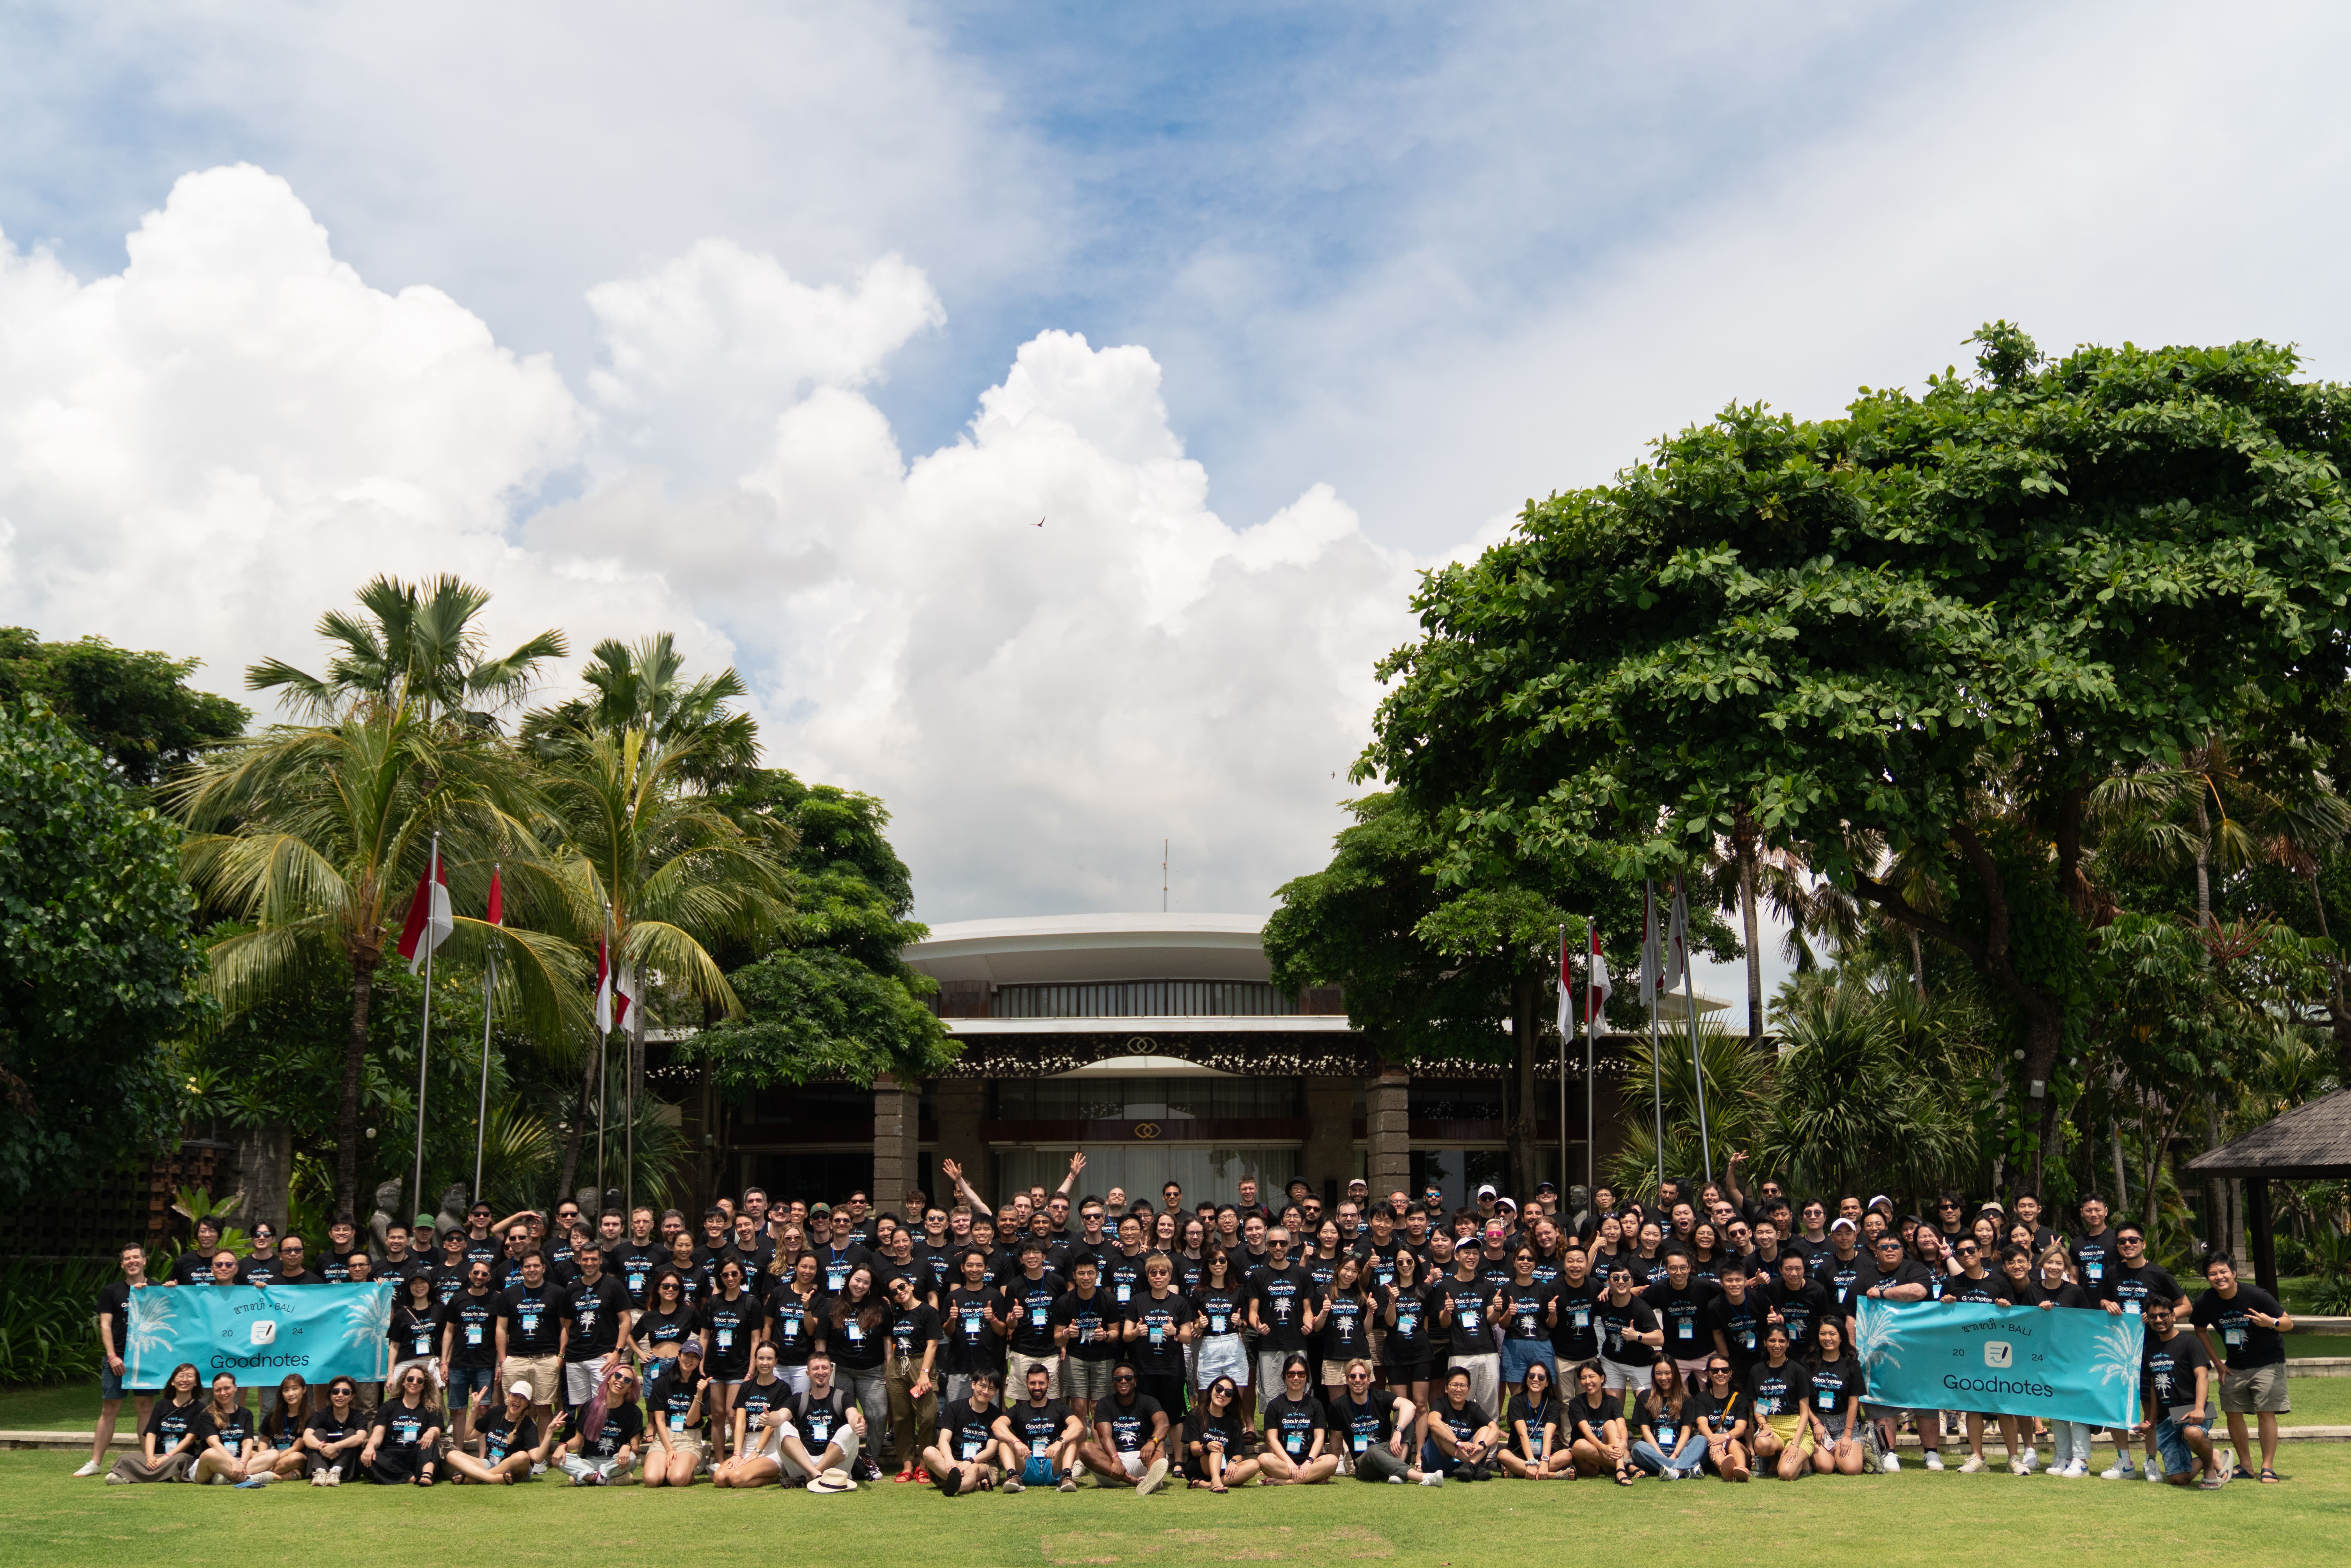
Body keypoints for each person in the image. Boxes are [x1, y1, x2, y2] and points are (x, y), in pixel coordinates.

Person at [2190, 1253, 2293, 1484]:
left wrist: (2272, 1322)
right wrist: (2218, 1363)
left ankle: (2268, 1467)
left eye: (2223, 1272)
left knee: (2265, 1411)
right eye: (2213, 1274)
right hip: (2234, 1365)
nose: (2219, 1277)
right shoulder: (2206, 1302)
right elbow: (2200, 1330)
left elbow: (2288, 1323)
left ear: (2234, 1273)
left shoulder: (2256, 1295)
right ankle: (2246, 1466)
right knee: (2233, 1411)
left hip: (2268, 1361)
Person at [80, 1242, 155, 1478]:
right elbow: (105, 1326)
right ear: (122, 1264)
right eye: (127, 1259)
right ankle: (95, 1463)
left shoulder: (156, 1288)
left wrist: (170, 1288)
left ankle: (148, 1461)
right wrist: (112, 1356)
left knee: (146, 1407)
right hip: (118, 1357)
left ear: (144, 1261)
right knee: (110, 1408)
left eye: (136, 1257)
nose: (132, 1261)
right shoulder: (112, 1291)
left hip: (147, 1358)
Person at [2140, 1299, 2225, 1488]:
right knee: (2178, 1480)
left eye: (2163, 1315)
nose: (2159, 1320)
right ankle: (2211, 1456)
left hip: (2194, 1410)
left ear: (2173, 1316)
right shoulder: (2149, 1349)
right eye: (2153, 1316)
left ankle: (2210, 1471)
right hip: (2167, 1418)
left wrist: (2199, 1409)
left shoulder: (2191, 1343)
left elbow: (2203, 1376)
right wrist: (2151, 1422)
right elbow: (2154, 1387)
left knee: (2192, 1432)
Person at [559, 1238, 635, 1410]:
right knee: (582, 1407)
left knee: (602, 1405)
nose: (589, 1263)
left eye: (594, 1259)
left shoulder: (614, 1286)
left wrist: (618, 1352)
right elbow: (567, 1326)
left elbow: (626, 1321)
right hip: (575, 1358)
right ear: (579, 1261)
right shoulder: (571, 1289)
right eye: (585, 1259)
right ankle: (584, 1429)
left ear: (601, 1260)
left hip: (603, 1357)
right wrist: (565, 1352)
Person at [1050, 1254, 1122, 1432]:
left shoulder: (1109, 1299)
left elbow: (1116, 1334)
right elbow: (1057, 1338)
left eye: (1091, 1273)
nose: (1086, 1278)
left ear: (1097, 1275)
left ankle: (1099, 1448)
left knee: (1099, 1409)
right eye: (1081, 1273)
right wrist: (1067, 1333)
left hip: (1103, 1357)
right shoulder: (1064, 1302)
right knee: (1079, 1408)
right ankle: (1079, 1449)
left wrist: (1105, 1335)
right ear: (1074, 1275)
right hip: (1076, 1358)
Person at [495, 1250, 563, 1437]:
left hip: (546, 1359)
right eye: (527, 1267)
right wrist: (503, 1360)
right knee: (514, 1408)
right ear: (521, 1270)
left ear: (544, 1268)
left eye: (536, 1266)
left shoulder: (557, 1293)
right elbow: (501, 1328)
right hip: (516, 1359)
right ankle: (513, 1448)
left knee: (544, 1408)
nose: (532, 1270)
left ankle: (541, 1451)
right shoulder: (509, 1294)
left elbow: (566, 1327)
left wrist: (560, 1357)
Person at [1078, 1363, 1173, 1493]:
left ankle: (1151, 1479)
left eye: (1128, 1378)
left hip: (1142, 1459)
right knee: (1085, 1448)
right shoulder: (1105, 1404)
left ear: (1136, 1382)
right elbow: (1104, 1436)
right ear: (1113, 1383)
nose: (1123, 1381)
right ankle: (1137, 1482)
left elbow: (1164, 1423)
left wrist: (1152, 1442)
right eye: (1118, 1379)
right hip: (1112, 1467)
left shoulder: (1148, 1401)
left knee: (1159, 1442)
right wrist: (1115, 1459)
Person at [107, 1362, 208, 1484]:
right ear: (173, 1382)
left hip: (177, 1456)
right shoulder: (162, 1405)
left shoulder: (199, 1408)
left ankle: (132, 1477)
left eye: (190, 1377)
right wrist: (150, 1457)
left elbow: (190, 1439)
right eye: (181, 1376)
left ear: (196, 1383)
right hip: (158, 1455)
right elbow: (151, 1433)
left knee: (182, 1460)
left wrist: (167, 1457)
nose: (185, 1380)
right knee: (125, 1458)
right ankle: (168, 1475)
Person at [993, 1358, 1084, 1492]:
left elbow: (1078, 1426)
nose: (1037, 1388)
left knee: (1069, 1435)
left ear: (1049, 1383)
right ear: (1026, 1383)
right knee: (1004, 1439)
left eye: (1041, 1383)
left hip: (1053, 1463)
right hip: (1026, 1462)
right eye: (1033, 1383)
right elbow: (997, 1426)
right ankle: (1012, 1476)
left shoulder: (1059, 1408)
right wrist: (1016, 1442)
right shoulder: (1018, 1409)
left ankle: (1066, 1477)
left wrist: (1059, 1442)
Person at [1125, 1251, 1196, 1420]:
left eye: (1163, 1273)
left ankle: (1177, 1441)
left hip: (1172, 1370)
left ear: (1170, 1276)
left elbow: (1188, 1337)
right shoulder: (1137, 1301)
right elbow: (1126, 1335)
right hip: (1144, 1369)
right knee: (1145, 1416)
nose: (1158, 1277)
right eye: (1154, 1273)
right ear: (1148, 1277)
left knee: (1175, 1419)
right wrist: (1136, 1332)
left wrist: (1175, 1332)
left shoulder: (1180, 1302)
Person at [712, 1342, 794, 1487]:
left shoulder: (783, 1388)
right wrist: (738, 1453)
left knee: (737, 1479)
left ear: (776, 1361)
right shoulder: (746, 1387)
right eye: (761, 1358)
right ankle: (750, 1469)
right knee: (720, 1479)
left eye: (769, 1359)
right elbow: (740, 1423)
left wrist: (756, 1453)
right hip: (748, 1445)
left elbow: (772, 1426)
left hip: (771, 1448)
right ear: (755, 1360)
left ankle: (777, 1477)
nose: (765, 1363)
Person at [885, 1271, 941, 1481]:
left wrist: (924, 1374)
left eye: (901, 1287)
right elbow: (889, 1341)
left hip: (921, 1363)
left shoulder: (928, 1312)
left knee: (928, 1417)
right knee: (901, 1418)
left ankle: (925, 1465)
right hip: (898, 1365)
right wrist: (889, 1367)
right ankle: (907, 1466)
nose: (899, 1292)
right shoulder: (895, 1314)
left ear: (911, 1286)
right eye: (894, 1292)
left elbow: (932, 1345)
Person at [780, 1350, 867, 1484]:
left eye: (825, 1368)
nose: (821, 1372)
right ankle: (815, 1474)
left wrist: (858, 1424)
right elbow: (780, 1415)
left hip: (835, 1465)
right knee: (781, 1426)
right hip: (805, 1464)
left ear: (831, 1371)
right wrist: (770, 1418)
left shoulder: (843, 1397)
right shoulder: (798, 1399)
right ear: (808, 1373)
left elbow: (853, 1415)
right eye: (816, 1368)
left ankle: (808, 1478)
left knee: (849, 1429)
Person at [441, 1259, 502, 1442]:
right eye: (476, 1272)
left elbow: (501, 1333)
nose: (479, 1276)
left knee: (483, 1410)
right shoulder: (457, 1299)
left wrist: (500, 1363)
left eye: (484, 1274)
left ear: (489, 1277)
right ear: (470, 1274)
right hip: (459, 1363)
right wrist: (444, 1362)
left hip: (485, 1364)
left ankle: (483, 1455)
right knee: (458, 1411)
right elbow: (449, 1331)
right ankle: (458, 1450)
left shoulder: (497, 1299)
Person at [1745, 1325, 1813, 1481]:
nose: (1777, 1345)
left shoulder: (1798, 1371)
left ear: (1788, 1343)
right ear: (1765, 1342)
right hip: (1772, 1428)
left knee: (1786, 1474)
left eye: (1782, 1341)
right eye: (1772, 1341)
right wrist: (1765, 1426)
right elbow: (1758, 1408)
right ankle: (1777, 1458)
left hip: (1797, 1429)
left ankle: (1803, 1459)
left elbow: (1805, 1413)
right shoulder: (1757, 1371)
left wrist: (1795, 1443)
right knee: (1761, 1444)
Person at [557, 1363, 643, 1484]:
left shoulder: (634, 1412)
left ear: (630, 1389)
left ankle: (585, 1478)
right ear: (609, 1379)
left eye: (627, 1380)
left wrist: (628, 1446)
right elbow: (578, 1440)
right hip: (590, 1462)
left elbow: (635, 1449)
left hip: (616, 1462)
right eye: (618, 1376)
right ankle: (607, 1481)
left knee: (631, 1458)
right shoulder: (590, 1406)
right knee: (560, 1458)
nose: (621, 1381)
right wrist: (563, 1446)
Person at [446, 1381, 548, 1484]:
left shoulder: (528, 1425)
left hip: (514, 1468)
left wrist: (549, 1433)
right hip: (490, 1464)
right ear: (508, 1397)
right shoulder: (496, 1412)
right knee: (452, 1455)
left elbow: (538, 1459)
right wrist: (474, 1408)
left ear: (527, 1404)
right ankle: (493, 1479)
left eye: (523, 1398)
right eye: (515, 1395)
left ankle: (476, 1478)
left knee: (523, 1456)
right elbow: (468, 1436)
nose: (518, 1400)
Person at [926, 1368, 1006, 1496]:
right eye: (982, 1386)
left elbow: (991, 1450)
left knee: (973, 1469)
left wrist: (970, 1461)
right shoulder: (954, 1408)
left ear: (995, 1392)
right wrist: (950, 1460)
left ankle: (959, 1486)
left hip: (982, 1464)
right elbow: (944, 1440)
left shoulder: (998, 1416)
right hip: (954, 1462)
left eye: (991, 1389)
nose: (986, 1392)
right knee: (929, 1452)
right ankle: (974, 1485)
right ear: (973, 1385)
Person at [1258, 1355, 1338, 1483]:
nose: (1296, 1378)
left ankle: (1285, 1482)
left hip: (1311, 1462)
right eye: (1291, 1374)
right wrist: (1289, 1462)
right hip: (1284, 1462)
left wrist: (1309, 1461)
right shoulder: (1275, 1405)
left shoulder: (1316, 1404)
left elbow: (1320, 1438)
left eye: (1301, 1374)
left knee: (1332, 1461)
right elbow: (1272, 1439)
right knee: (1263, 1459)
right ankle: (1311, 1478)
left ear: (1307, 1377)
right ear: (1285, 1376)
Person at [362, 1364, 444, 1485]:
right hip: (391, 1456)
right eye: (410, 1379)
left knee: (430, 1443)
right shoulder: (388, 1407)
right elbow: (378, 1435)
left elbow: (436, 1431)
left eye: (420, 1381)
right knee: (365, 1459)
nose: (414, 1383)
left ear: (424, 1386)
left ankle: (427, 1474)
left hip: (418, 1455)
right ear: (403, 1382)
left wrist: (432, 1433)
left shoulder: (432, 1409)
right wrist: (370, 1447)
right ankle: (411, 1478)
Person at [1803, 1317, 1866, 1475]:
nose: (1827, 1338)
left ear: (1841, 1337)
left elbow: (1854, 1403)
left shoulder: (1852, 1364)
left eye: (1832, 1334)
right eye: (1823, 1334)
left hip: (1844, 1423)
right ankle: (1826, 1456)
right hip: (1816, 1423)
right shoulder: (1808, 1362)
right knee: (1825, 1468)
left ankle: (1841, 1453)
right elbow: (1803, 1400)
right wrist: (1816, 1423)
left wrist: (1847, 1435)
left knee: (1852, 1469)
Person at [642, 1343, 710, 1487]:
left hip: (689, 1438)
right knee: (651, 1480)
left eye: (695, 1357)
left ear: (699, 1361)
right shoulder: (662, 1383)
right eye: (687, 1355)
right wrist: (669, 1449)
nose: (690, 1360)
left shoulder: (702, 1385)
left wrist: (699, 1395)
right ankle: (673, 1468)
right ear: (679, 1356)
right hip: (665, 1437)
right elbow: (659, 1421)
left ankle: (694, 1463)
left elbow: (691, 1422)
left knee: (677, 1479)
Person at [1383, 1247, 1439, 1418]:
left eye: (1409, 1261)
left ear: (1415, 1263)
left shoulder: (1426, 1290)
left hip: (1420, 1351)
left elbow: (1426, 1321)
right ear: (1395, 1265)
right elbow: (1390, 1322)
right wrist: (1392, 1301)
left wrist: (1422, 1342)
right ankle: (1402, 1436)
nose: (1405, 1265)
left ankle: (1420, 1437)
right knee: (1401, 1405)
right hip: (1395, 1352)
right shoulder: (1388, 1288)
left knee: (1420, 1404)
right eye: (1400, 1262)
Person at [1626, 1357, 1703, 1480]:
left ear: (1675, 1374)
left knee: (1701, 1440)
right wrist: (1660, 1455)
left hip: (1681, 1450)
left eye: (1668, 1373)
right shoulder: (1645, 1397)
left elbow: (1686, 1433)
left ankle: (1675, 1471)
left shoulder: (1687, 1399)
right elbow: (1645, 1431)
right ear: (1654, 1375)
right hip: (1654, 1450)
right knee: (1638, 1448)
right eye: (1659, 1374)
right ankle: (1685, 1469)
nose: (1663, 1378)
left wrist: (1675, 1455)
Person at [1180, 1375, 1261, 1492]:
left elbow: (1239, 1454)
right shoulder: (1195, 1415)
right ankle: (1216, 1481)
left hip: (1225, 1467)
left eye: (1229, 1393)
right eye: (1219, 1389)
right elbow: (1194, 1450)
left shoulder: (1234, 1422)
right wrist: (1207, 1447)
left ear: (1231, 1399)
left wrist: (1233, 1463)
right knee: (1217, 1448)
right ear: (1212, 1390)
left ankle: (1209, 1484)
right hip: (1199, 1466)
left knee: (1254, 1465)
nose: (1223, 1394)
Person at [1421, 1364, 1499, 1481]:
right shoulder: (1441, 1403)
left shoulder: (1473, 1408)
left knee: (1487, 1429)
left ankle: (1469, 1466)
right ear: (1446, 1388)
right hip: (1438, 1463)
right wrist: (1458, 1443)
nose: (1459, 1389)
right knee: (1440, 1429)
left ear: (1469, 1390)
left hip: (1462, 1465)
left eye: (1463, 1386)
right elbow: (1432, 1422)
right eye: (1454, 1385)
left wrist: (1483, 1445)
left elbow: (1495, 1430)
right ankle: (1474, 1466)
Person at [1500, 1357, 1572, 1479]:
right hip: (1521, 1455)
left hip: (1544, 1454)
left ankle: (1518, 1472)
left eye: (1541, 1378)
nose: (1536, 1380)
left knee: (1567, 1455)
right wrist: (1531, 1462)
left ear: (1547, 1383)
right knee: (1503, 1455)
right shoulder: (1516, 1402)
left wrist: (1545, 1461)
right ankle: (1555, 1475)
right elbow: (1523, 1434)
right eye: (1532, 1376)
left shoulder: (1553, 1404)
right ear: (1527, 1380)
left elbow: (1548, 1435)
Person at [188, 1372, 263, 1485]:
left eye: (227, 1388)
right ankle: (247, 1479)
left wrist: (242, 1463)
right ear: (214, 1392)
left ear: (235, 1388)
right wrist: (233, 1462)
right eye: (218, 1390)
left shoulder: (246, 1413)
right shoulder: (207, 1414)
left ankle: (227, 1478)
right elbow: (214, 1444)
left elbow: (248, 1442)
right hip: (211, 1463)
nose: (223, 1393)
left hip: (238, 1462)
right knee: (210, 1453)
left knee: (273, 1454)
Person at [1566, 1360, 1633, 1485]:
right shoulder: (1576, 1403)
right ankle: (1627, 1466)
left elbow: (1622, 1426)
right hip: (1587, 1462)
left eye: (1592, 1377)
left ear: (1602, 1378)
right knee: (1580, 1445)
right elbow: (1586, 1431)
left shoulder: (1613, 1402)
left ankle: (1620, 1470)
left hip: (1610, 1456)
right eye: (1584, 1378)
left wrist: (1624, 1442)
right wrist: (1603, 1448)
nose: (1588, 1382)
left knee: (1611, 1424)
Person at [299, 1376, 368, 1485]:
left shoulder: (359, 1417)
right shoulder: (321, 1415)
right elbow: (307, 1437)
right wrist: (323, 1448)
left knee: (351, 1433)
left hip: (346, 1468)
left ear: (352, 1396)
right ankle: (321, 1472)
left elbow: (360, 1438)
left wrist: (336, 1446)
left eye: (346, 1392)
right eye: (336, 1392)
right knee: (319, 1432)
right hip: (323, 1460)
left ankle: (336, 1472)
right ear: (330, 1395)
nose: (340, 1395)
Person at [1693, 1355, 1751, 1482]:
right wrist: (1715, 1441)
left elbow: (1741, 1429)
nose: (1720, 1374)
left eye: (1725, 1370)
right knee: (1715, 1447)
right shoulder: (1701, 1398)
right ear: (1709, 1374)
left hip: (1737, 1446)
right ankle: (1725, 1470)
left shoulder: (1740, 1399)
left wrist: (1725, 1437)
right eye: (1715, 1371)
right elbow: (1702, 1424)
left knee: (1732, 1441)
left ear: (1730, 1373)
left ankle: (1741, 1470)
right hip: (1713, 1447)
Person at [250, 1374, 315, 1484]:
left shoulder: (311, 1416)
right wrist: (263, 1457)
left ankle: (255, 1473)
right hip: (274, 1456)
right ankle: (282, 1476)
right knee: (248, 1453)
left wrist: (269, 1461)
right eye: (286, 1390)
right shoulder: (274, 1414)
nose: (291, 1394)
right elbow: (264, 1441)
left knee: (295, 1458)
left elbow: (296, 1448)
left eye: (295, 1389)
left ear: (304, 1390)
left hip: (297, 1457)